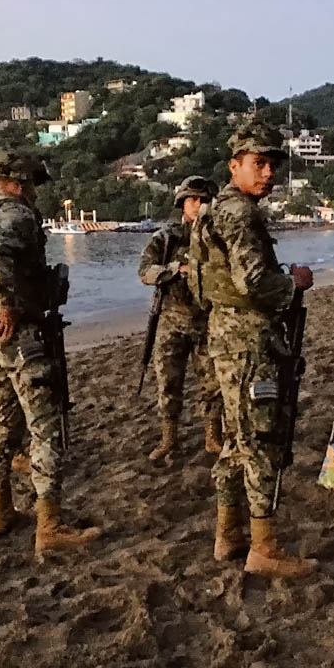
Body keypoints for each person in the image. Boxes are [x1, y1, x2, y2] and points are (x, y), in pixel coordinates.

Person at [0, 149, 100, 558]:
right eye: (32, 183)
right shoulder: (15, 214)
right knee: (45, 426)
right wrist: (9, 305)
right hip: (16, 332)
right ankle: (49, 525)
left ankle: (0, 511)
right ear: (16, 182)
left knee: (3, 422)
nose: (35, 191)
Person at [189, 122, 316, 578]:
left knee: (236, 439)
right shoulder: (240, 214)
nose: (267, 174)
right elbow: (254, 281)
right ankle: (264, 546)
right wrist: (295, 282)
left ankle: (228, 534)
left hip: (225, 335)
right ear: (234, 166)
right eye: (258, 164)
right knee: (260, 438)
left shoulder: (212, 211)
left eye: (271, 165)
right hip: (247, 341)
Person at [138, 175, 223, 460]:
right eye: (192, 200)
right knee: (169, 384)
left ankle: (213, 436)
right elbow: (145, 272)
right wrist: (177, 269)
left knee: (212, 384)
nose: (198, 206)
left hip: (208, 319)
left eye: (203, 200)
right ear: (183, 203)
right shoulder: (167, 237)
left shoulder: (218, 236)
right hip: (171, 320)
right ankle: (169, 439)